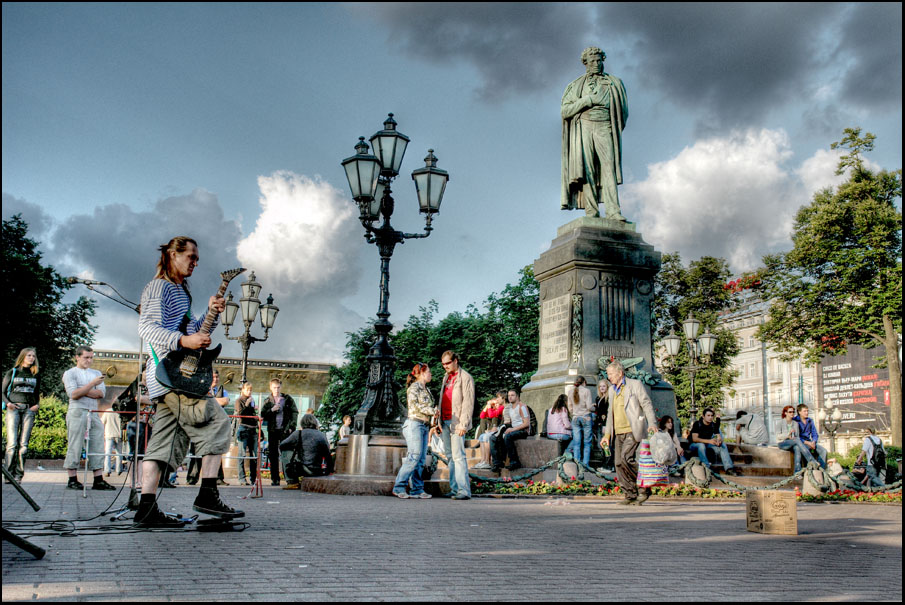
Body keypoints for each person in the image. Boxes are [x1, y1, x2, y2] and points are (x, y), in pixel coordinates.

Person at [134, 236, 240, 527]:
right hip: (172, 376)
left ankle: (146, 509)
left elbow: (191, 329)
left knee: (164, 443)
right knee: (217, 422)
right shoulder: (160, 286)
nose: (195, 262)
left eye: (196, 258)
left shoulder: (180, 292)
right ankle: (207, 494)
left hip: (168, 379)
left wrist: (210, 313)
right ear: (172, 254)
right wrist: (183, 340)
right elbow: (147, 327)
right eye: (190, 256)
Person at [561, 46, 629, 220]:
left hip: (604, 125)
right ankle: (592, 212)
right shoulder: (576, 85)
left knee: (609, 168)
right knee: (588, 170)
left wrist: (612, 125)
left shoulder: (615, 82)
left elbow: (623, 112)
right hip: (583, 126)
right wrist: (588, 100)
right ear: (586, 63)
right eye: (593, 61)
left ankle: (614, 211)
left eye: (599, 60)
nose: (597, 64)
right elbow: (565, 111)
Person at [600, 361, 658, 505]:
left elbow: (646, 404)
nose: (609, 377)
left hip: (633, 429)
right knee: (619, 463)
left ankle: (645, 486)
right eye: (608, 374)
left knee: (626, 457)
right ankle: (630, 493)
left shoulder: (634, 384)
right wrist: (607, 435)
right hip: (618, 432)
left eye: (611, 374)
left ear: (620, 373)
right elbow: (610, 414)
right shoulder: (612, 390)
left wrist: (652, 424)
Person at [61, 346, 116, 491]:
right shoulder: (70, 373)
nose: (89, 360)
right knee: (75, 443)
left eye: (91, 357)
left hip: (93, 410)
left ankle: (98, 478)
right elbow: (73, 394)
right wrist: (91, 385)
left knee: (97, 442)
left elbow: (101, 394)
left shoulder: (96, 373)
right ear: (77, 357)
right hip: (77, 410)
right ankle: (72, 478)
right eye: (86, 357)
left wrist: (83, 390)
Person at [391, 363, 438, 498]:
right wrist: (432, 411)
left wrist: (434, 417)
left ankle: (417, 489)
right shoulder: (413, 388)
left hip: (424, 425)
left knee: (421, 459)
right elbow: (415, 406)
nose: (430, 374)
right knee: (414, 456)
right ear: (421, 373)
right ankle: (399, 487)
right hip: (414, 424)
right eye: (428, 372)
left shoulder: (426, 390)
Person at [438, 350, 475, 500]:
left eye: (447, 363)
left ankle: (464, 490)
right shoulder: (446, 377)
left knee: (458, 456)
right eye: (443, 364)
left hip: (457, 422)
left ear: (455, 361)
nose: (445, 366)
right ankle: (455, 489)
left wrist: (463, 424)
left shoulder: (465, 377)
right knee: (450, 457)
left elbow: (468, 402)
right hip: (445, 421)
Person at [3, 347, 41, 483]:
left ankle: (19, 475)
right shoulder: (13, 372)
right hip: (14, 408)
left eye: (33, 356)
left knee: (24, 445)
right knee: (12, 443)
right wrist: (8, 404)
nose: (31, 358)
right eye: (29, 355)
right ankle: (8, 475)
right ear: (23, 356)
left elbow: (37, 393)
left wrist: (37, 405)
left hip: (29, 410)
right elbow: (2, 392)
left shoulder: (35, 374)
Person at [261, 378, 298, 486]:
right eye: (274, 387)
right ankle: (275, 479)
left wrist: (292, 426)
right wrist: (272, 410)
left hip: (285, 430)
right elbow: (263, 415)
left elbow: (294, 412)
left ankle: (289, 478)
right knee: (273, 454)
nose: (276, 390)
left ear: (281, 387)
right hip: (272, 431)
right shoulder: (268, 400)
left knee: (286, 454)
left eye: (278, 387)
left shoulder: (287, 399)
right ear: (270, 388)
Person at [280, 414, 333, 489]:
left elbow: (282, 445)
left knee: (285, 451)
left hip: (303, 469)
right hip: (318, 471)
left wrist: (295, 448)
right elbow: (328, 454)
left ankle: (292, 482)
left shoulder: (298, 433)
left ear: (302, 423)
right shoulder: (321, 435)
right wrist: (329, 472)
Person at [689, 407, 741, 476]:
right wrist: (709, 441)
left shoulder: (713, 425)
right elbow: (694, 439)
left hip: (707, 445)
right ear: (703, 416)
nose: (710, 417)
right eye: (708, 415)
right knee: (701, 445)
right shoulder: (697, 424)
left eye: (711, 416)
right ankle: (707, 468)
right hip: (694, 445)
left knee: (722, 445)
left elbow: (719, 437)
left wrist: (718, 441)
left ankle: (729, 468)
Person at [491, 389, 530, 473]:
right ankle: (497, 463)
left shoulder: (522, 406)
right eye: (509, 396)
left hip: (523, 431)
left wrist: (512, 429)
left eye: (512, 395)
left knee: (508, 436)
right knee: (494, 437)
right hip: (513, 429)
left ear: (517, 396)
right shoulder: (510, 408)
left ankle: (515, 462)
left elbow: (526, 423)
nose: (510, 397)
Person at [775, 405, 817, 473]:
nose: (792, 413)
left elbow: (796, 436)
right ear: (785, 413)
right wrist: (788, 435)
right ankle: (811, 460)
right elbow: (778, 436)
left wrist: (792, 436)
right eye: (790, 412)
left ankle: (797, 472)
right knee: (797, 440)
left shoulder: (795, 423)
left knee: (797, 447)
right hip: (782, 443)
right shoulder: (780, 423)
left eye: (793, 412)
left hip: (793, 442)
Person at [565, 375, 594, 466]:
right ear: (584, 382)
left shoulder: (570, 391)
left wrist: (575, 412)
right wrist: (594, 406)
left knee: (576, 442)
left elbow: (570, 408)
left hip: (575, 418)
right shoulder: (586, 391)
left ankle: (577, 463)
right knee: (587, 442)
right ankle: (585, 464)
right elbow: (589, 406)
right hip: (586, 417)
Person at [234, 381, 258, 486]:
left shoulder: (252, 400)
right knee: (242, 454)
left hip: (252, 429)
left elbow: (253, 415)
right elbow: (241, 415)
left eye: (250, 390)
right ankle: (242, 478)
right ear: (243, 390)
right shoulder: (239, 401)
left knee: (253, 455)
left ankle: (253, 478)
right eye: (247, 390)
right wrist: (247, 405)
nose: (249, 392)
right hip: (244, 428)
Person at [473, 392, 505, 470]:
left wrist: (489, 407)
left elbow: (492, 415)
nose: (496, 405)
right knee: (482, 436)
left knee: (486, 437)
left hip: (499, 430)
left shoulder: (501, 408)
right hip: (494, 429)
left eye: (497, 403)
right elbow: (482, 416)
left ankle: (487, 461)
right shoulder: (496, 409)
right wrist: (487, 407)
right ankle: (483, 460)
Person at [793, 404, 828, 469]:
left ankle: (821, 470)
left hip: (810, 442)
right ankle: (810, 468)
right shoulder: (795, 421)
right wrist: (807, 443)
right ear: (799, 412)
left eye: (807, 411)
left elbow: (814, 434)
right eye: (804, 411)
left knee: (823, 451)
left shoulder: (810, 421)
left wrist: (813, 442)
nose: (807, 413)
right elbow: (796, 436)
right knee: (807, 450)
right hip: (801, 443)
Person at [101, 402, 124, 477]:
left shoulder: (107, 411)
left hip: (109, 434)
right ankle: (119, 470)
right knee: (119, 453)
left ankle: (107, 470)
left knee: (108, 453)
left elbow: (102, 422)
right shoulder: (120, 412)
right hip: (118, 434)